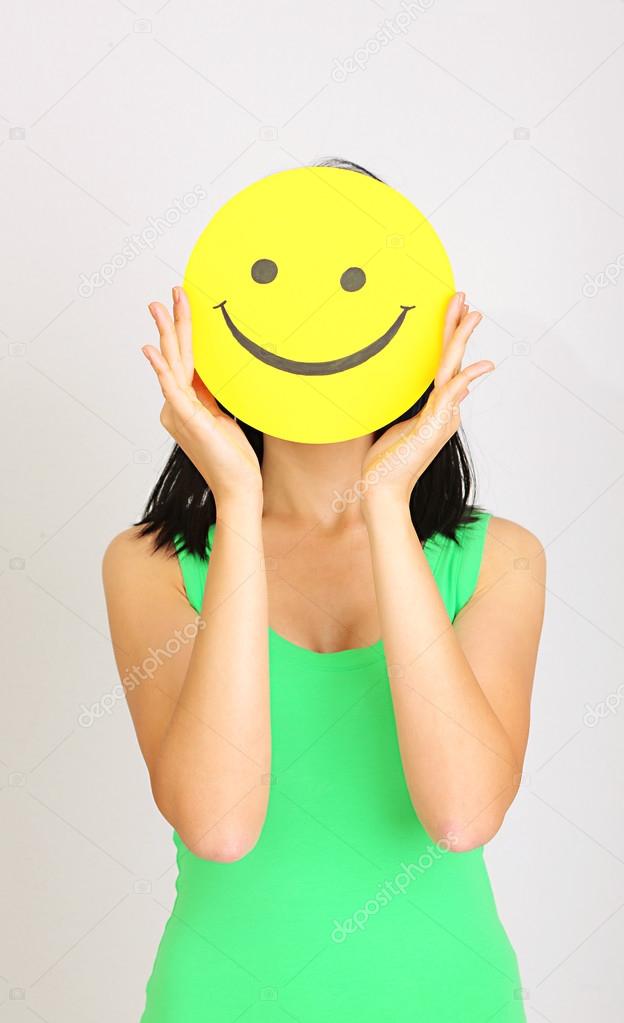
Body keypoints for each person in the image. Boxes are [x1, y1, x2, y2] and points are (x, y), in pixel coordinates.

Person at [103, 160, 546, 1022]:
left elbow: (460, 815)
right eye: (274, 281)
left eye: (352, 283)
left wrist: (384, 500)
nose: (314, 316)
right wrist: (235, 498)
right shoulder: (149, 566)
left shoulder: (500, 561)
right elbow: (220, 826)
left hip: (449, 1001)